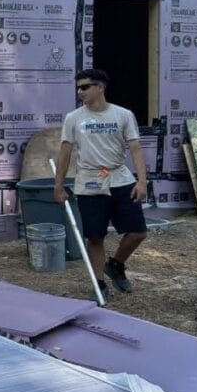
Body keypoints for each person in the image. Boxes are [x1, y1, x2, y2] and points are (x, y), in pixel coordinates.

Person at [53, 68, 148, 302]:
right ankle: (99, 282)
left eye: (85, 87)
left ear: (100, 87)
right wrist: (58, 186)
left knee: (137, 232)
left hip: (120, 179)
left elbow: (135, 148)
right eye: (78, 88)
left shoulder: (123, 115)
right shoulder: (74, 118)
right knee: (95, 237)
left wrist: (142, 181)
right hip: (89, 182)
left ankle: (116, 265)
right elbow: (65, 153)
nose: (80, 92)